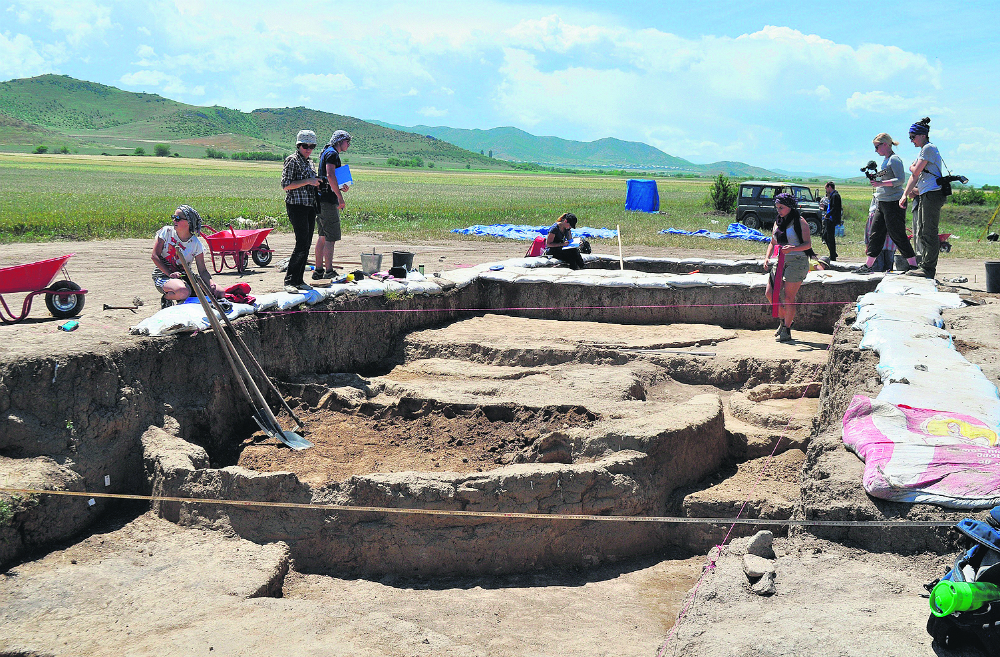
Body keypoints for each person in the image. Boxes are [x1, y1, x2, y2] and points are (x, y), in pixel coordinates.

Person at [856, 133, 918, 275]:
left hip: (893, 202)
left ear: (885, 144)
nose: (875, 150)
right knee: (876, 233)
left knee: (897, 234)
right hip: (883, 202)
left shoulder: (894, 159)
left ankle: (914, 265)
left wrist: (880, 183)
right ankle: (868, 265)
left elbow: (900, 180)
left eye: (877, 147)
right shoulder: (886, 160)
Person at [900, 117, 945, 279]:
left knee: (928, 231)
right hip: (927, 194)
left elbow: (915, 172)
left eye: (913, 137)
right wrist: (905, 194)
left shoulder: (928, 149)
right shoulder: (924, 150)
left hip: (932, 194)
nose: (911, 140)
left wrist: (911, 166)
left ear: (923, 135)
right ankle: (925, 266)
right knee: (922, 230)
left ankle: (928, 268)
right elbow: (914, 177)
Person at [764, 193, 812, 342]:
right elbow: (773, 242)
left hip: (797, 261)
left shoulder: (800, 222)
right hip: (780, 260)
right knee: (770, 293)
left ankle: (787, 329)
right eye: (777, 207)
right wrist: (767, 257)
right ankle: (785, 319)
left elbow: (807, 245)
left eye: (781, 207)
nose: (778, 210)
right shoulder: (777, 222)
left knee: (788, 297)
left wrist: (793, 248)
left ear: (790, 207)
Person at [151, 205, 221, 307]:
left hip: (185, 276)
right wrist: (170, 274)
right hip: (163, 275)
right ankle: (167, 298)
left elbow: (203, 271)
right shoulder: (166, 232)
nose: (174, 220)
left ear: (189, 222)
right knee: (183, 291)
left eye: (178, 218)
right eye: (173, 217)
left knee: (219, 292)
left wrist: (211, 283)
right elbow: (154, 256)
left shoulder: (196, 244)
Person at [281, 129, 320, 293]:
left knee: (307, 243)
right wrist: (308, 181)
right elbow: (286, 185)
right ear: (299, 145)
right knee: (301, 243)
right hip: (296, 206)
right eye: (305, 146)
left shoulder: (309, 162)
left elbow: (311, 182)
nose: (308, 149)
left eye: (312, 146)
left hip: (309, 205)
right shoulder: (292, 160)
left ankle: (299, 279)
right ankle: (290, 280)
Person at [313, 130, 352, 281]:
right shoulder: (333, 154)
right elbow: (330, 175)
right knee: (331, 237)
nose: (348, 144)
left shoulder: (326, 152)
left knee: (322, 236)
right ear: (340, 141)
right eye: (347, 141)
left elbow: (329, 178)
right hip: (329, 201)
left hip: (321, 199)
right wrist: (340, 197)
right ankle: (329, 271)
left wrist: (341, 186)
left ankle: (318, 270)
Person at [822, 181, 841, 261]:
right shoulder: (832, 195)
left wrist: (828, 215)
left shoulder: (835, 196)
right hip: (829, 218)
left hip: (831, 219)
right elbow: (831, 207)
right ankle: (833, 252)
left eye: (826, 188)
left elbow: (835, 208)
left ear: (830, 187)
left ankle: (833, 255)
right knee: (825, 236)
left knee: (830, 237)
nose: (826, 190)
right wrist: (825, 208)